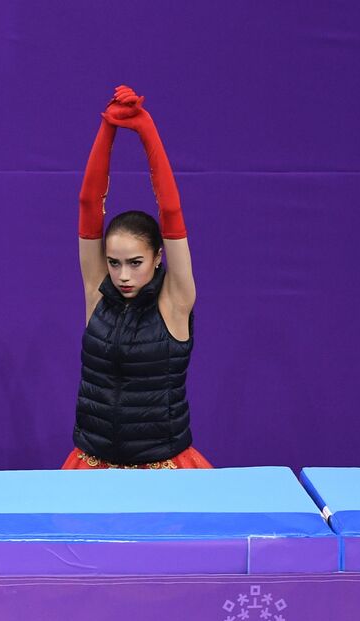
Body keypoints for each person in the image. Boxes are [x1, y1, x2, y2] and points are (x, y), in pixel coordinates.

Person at [63, 85, 212, 470]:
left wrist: (147, 132)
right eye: (113, 263)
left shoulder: (175, 302)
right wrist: (106, 129)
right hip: (92, 468)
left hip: (162, 474)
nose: (122, 275)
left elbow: (171, 210)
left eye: (135, 262)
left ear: (158, 257)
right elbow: (87, 204)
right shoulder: (99, 294)